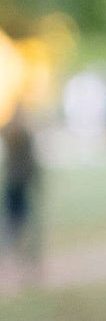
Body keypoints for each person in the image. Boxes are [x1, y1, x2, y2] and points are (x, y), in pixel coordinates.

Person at [2, 109, 42, 277]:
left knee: (16, 220)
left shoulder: (15, 132)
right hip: (18, 183)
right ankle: (21, 256)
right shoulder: (22, 133)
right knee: (18, 220)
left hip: (17, 182)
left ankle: (23, 256)